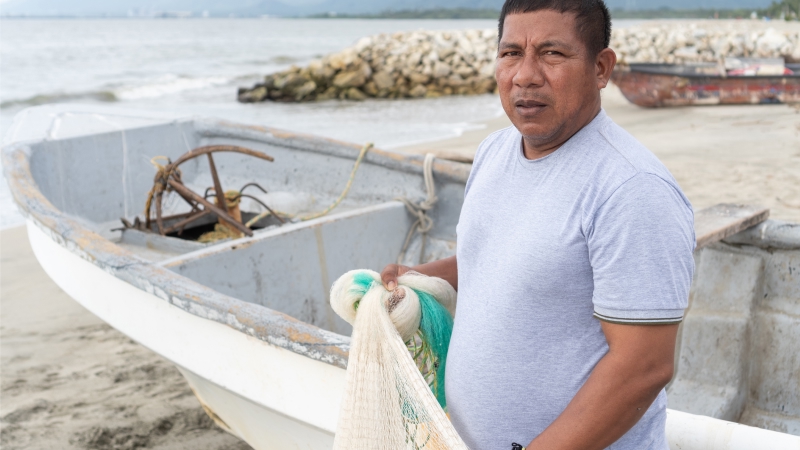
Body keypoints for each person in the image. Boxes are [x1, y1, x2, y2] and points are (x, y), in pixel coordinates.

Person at [380, 1, 696, 449]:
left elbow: (643, 367)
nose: (525, 75)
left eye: (552, 54)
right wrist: (419, 278)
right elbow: (498, 260)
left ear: (601, 68)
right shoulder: (494, 151)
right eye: (511, 53)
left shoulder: (632, 188)